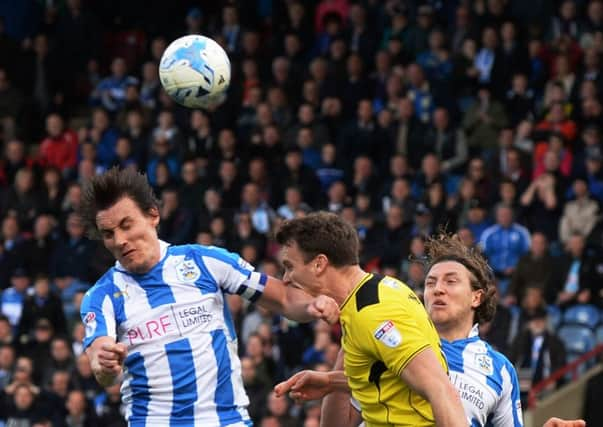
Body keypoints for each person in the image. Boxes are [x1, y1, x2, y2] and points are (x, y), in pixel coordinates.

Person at [77, 168, 340, 426]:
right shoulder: (101, 296)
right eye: (109, 234)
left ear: (152, 215)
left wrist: (313, 303)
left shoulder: (205, 261)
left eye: (126, 225)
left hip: (226, 421)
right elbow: (100, 360)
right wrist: (105, 365)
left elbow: (284, 298)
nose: (120, 240)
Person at [274, 234, 582, 427]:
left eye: (450, 281)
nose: (436, 290)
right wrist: (338, 368)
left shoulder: (500, 371)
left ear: (477, 296)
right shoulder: (386, 336)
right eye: (430, 282)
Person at [274, 213, 466, 427]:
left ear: (319, 264)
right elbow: (393, 376)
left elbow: (441, 389)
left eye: (290, 266)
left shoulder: (374, 313)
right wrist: (331, 381)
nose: (286, 278)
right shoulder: (372, 294)